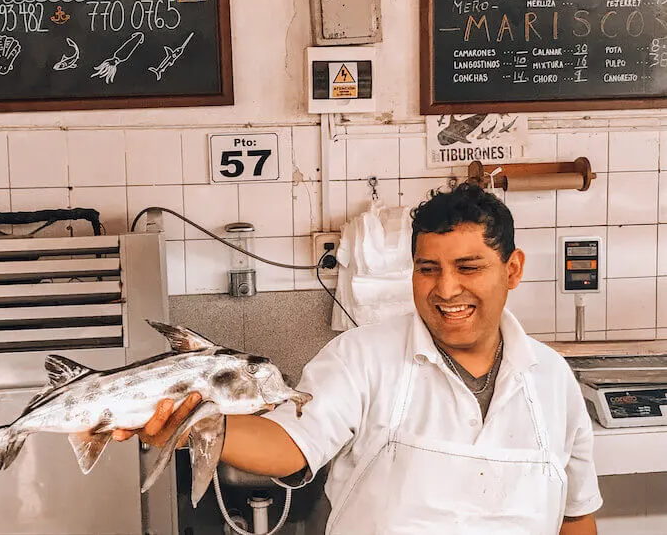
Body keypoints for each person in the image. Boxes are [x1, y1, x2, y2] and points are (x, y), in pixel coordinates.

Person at [113, 183, 602, 534]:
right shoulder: (363, 357)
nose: (446, 289)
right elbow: (290, 444)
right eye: (427, 269)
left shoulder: (553, 380)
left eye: (468, 268)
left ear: (512, 269)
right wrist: (199, 423)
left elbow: (575, 516)